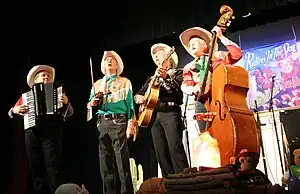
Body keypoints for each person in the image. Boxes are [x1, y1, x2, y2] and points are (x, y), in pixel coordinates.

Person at [8, 65, 74, 194]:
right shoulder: (26, 96)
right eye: (43, 75)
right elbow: (10, 112)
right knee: (36, 166)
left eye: (48, 75)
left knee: (53, 167)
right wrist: (15, 110)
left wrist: (66, 103)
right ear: (35, 79)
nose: (46, 77)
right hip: (32, 133)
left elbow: (69, 113)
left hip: (51, 131)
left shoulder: (58, 92)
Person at [134, 43, 189, 178]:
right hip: (153, 116)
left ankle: (186, 181)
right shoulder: (151, 79)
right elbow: (138, 94)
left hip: (170, 112)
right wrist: (139, 98)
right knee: (161, 152)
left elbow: (180, 88)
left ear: (169, 58)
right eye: (156, 58)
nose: (158, 60)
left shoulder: (179, 73)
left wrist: (166, 77)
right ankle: (168, 183)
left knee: (175, 148)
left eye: (160, 57)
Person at [87, 51, 137, 194]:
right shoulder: (97, 84)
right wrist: (92, 102)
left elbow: (130, 105)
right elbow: (89, 105)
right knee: (105, 162)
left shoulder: (124, 82)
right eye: (106, 60)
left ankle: (126, 192)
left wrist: (130, 124)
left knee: (122, 161)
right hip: (102, 122)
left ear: (117, 65)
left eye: (112, 59)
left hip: (118, 121)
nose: (109, 61)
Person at [180, 26, 242, 133]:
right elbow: (185, 85)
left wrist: (221, 37)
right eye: (190, 45)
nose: (191, 45)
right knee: (206, 136)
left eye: (195, 42)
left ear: (204, 45)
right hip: (201, 103)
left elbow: (237, 55)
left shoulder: (217, 57)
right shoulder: (189, 67)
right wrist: (194, 89)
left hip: (220, 100)